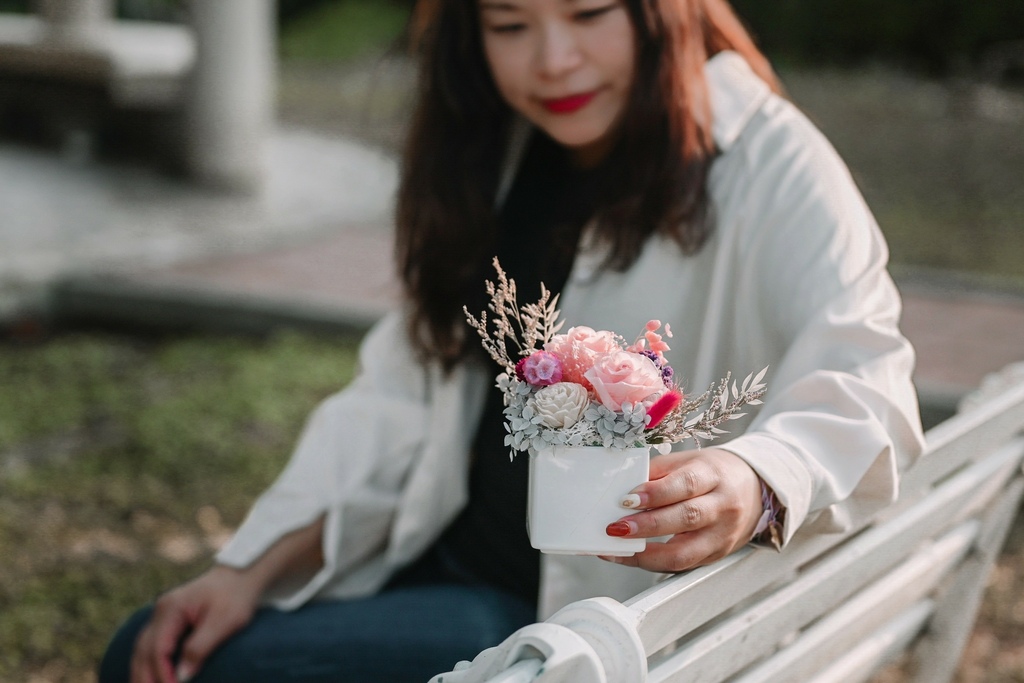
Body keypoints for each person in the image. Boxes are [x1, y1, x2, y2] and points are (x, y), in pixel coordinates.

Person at [99, 0, 926, 681]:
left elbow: (868, 384)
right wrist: (249, 570)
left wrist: (754, 477)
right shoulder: (495, 152)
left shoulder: (770, 162)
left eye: (589, 12)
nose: (553, 60)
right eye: (508, 24)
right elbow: (397, 401)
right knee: (153, 642)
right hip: (435, 558)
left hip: (558, 621)